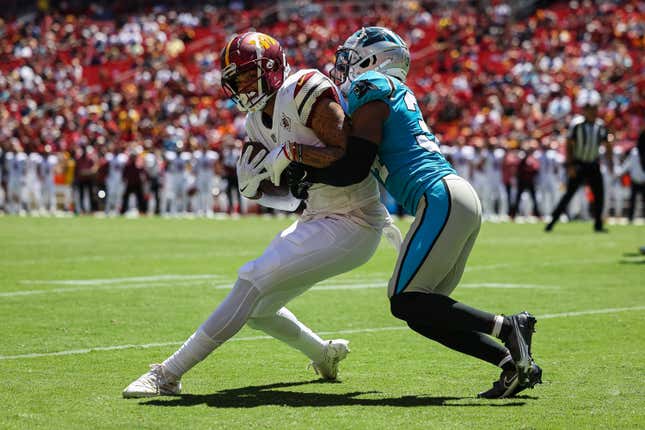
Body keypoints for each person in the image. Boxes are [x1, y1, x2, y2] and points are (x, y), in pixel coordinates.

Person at [123, 32, 398, 398]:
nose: (240, 85)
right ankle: (323, 354)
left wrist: (291, 153)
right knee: (259, 308)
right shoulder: (255, 121)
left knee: (251, 280)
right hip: (319, 215)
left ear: (269, 70)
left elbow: (347, 157)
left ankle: (168, 374)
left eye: (245, 75)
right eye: (234, 79)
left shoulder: (303, 87)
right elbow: (291, 196)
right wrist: (258, 184)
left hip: (354, 218)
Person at [284, 27, 542, 398]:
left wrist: (304, 166)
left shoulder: (371, 85)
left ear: (373, 60)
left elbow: (355, 165)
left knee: (406, 299)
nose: (344, 68)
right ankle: (511, 365)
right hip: (452, 198)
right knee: (418, 310)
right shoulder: (387, 92)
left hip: (440, 197)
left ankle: (507, 327)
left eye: (351, 57)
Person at [545, 89, 613, 232]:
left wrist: (610, 162)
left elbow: (607, 145)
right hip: (579, 164)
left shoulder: (600, 126)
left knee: (599, 195)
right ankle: (552, 222)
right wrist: (569, 165)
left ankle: (598, 225)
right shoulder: (577, 125)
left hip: (593, 163)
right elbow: (569, 145)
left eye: (594, 108)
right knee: (568, 195)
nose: (592, 112)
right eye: (589, 109)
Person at [619, 129, 645, 222]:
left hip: (643, 181)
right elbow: (627, 164)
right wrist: (620, 172)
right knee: (632, 201)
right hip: (635, 180)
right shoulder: (634, 152)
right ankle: (630, 218)